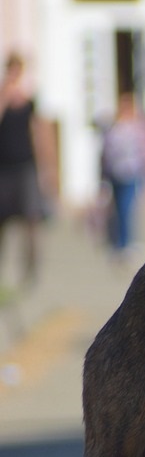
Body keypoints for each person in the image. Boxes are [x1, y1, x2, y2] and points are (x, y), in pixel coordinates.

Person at [0, 53, 53, 294]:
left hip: (26, 167)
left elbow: (40, 133)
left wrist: (48, 169)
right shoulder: (3, 96)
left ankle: (31, 274)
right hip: (4, 169)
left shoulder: (31, 100)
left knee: (31, 222)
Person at [99, 91, 145, 262]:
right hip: (116, 173)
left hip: (133, 172)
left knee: (127, 208)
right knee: (119, 209)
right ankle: (121, 243)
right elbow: (106, 152)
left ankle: (127, 243)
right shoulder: (114, 127)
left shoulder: (139, 127)